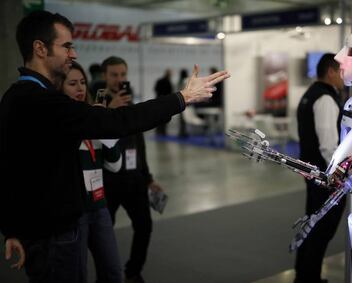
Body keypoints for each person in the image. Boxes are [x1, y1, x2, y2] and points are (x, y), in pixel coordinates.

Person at [0, 10, 229, 283]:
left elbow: (9, 168)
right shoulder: (40, 101)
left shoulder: (16, 97)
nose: (72, 54)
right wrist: (182, 97)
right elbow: (118, 121)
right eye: (66, 46)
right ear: (40, 48)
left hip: (44, 230)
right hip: (54, 235)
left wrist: (12, 228)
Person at [100, 56, 163, 283]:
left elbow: (139, 142)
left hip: (135, 179)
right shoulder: (97, 103)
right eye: (114, 75)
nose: (119, 79)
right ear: (104, 76)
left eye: (122, 75)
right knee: (104, 234)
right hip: (108, 180)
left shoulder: (131, 102)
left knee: (144, 226)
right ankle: (107, 276)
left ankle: (133, 271)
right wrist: (110, 109)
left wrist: (148, 178)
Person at [61, 61, 123, 283]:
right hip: (73, 213)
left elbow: (115, 165)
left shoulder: (93, 116)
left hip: (99, 207)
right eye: (72, 83)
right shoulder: (59, 122)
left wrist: (104, 124)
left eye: (83, 83)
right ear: (60, 87)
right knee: (77, 275)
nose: (79, 88)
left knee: (114, 272)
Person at [294, 53, 346, 283]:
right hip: (324, 176)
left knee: (312, 222)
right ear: (331, 71)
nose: (345, 77)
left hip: (311, 170)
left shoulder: (309, 94)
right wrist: (337, 176)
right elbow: (328, 144)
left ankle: (304, 274)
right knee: (321, 228)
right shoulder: (325, 99)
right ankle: (309, 278)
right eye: (342, 71)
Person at [154, 69, 173, 136]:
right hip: (165, 102)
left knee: (158, 117)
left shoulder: (159, 81)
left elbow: (155, 89)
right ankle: (163, 131)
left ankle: (159, 131)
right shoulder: (168, 82)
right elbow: (170, 92)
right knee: (164, 117)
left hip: (158, 101)